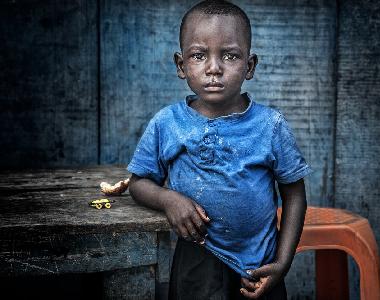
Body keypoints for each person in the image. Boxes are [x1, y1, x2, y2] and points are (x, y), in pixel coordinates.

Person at [127, 1, 312, 299]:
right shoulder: (167, 123)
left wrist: (282, 263)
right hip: (196, 259)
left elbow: (294, 194)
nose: (214, 68)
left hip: (258, 266)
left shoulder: (270, 126)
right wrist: (168, 199)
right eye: (199, 55)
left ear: (249, 66)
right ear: (181, 64)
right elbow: (138, 184)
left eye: (230, 55)